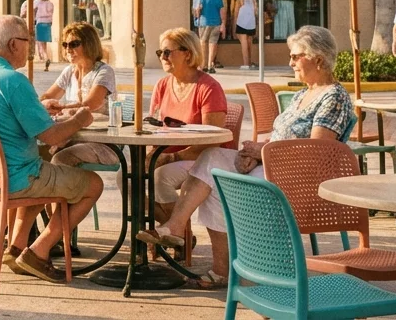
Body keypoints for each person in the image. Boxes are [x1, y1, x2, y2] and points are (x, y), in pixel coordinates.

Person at [139, 25, 352, 290]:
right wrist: (256, 150)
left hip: (298, 180)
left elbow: (315, 151)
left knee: (213, 181)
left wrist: (261, 153)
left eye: (296, 56)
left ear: (318, 59)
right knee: (212, 163)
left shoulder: (334, 96)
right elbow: (281, 140)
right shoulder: (302, 94)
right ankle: (187, 236)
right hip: (274, 165)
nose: (290, 62)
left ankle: (191, 241)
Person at [0, 15, 103, 283]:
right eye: (27, 41)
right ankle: (40, 250)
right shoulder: (13, 80)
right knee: (93, 184)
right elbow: (51, 135)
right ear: (13, 44)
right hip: (14, 179)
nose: (30, 47)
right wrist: (80, 118)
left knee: (43, 173)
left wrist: (39, 109)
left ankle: (17, 247)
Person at [146, 28, 228, 226]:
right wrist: (151, 154)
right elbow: (153, 126)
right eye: (160, 53)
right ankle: (175, 232)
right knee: (126, 176)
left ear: (188, 54)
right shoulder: (162, 85)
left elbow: (212, 140)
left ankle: (177, 233)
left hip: (201, 159)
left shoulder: (209, 88)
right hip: (166, 155)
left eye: (167, 52)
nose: (163, 57)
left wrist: (172, 157)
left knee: (159, 178)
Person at [44, 22, 120, 169]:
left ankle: (73, 191)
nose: (68, 49)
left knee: (60, 159)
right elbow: (48, 95)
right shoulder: (69, 71)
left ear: (89, 44)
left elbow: (91, 103)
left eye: (74, 44)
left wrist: (61, 107)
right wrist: (42, 103)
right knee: (35, 153)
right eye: (65, 45)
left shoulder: (104, 72)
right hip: (74, 138)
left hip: (103, 143)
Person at [19, 0, 56, 70]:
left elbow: (26, 11)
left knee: (41, 44)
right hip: (48, 24)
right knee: (44, 44)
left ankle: (46, 58)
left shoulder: (37, 2)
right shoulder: (50, 3)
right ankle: (45, 62)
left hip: (40, 23)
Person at [197, 0, 226, 73]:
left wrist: (197, 16)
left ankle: (203, 65)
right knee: (213, 43)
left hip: (204, 23)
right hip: (216, 23)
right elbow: (222, 13)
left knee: (203, 43)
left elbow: (199, 9)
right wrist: (223, 24)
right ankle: (210, 66)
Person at [232, 0, 257, 70]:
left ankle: (245, 64)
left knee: (244, 43)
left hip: (241, 23)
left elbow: (236, 14)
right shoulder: (253, 1)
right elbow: (255, 12)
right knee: (250, 43)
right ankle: (250, 63)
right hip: (251, 24)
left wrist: (234, 28)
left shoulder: (239, 0)